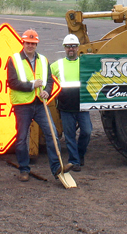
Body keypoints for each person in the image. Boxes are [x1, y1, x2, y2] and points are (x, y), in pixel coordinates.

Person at [7, 29, 72, 182]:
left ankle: (56, 167)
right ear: (23, 43)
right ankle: (24, 169)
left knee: (52, 134)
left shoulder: (43, 60)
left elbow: (49, 80)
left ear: (36, 44)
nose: (30, 46)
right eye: (28, 43)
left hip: (40, 103)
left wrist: (47, 92)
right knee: (22, 138)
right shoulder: (14, 59)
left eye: (33, 43)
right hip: (22, 105)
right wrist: (31, 85)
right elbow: (12, 82)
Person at [50, 34, 92, 172]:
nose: (71, 49)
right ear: (64, 48)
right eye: (68, 46)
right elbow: (47, 79)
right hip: (65, 107)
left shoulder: (85, 64)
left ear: (78, 47)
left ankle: (80, 155)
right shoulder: (57, 65)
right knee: (69, 136)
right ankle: (74, 161)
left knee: (87, 131)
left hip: (82, 106)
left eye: (73, 46)